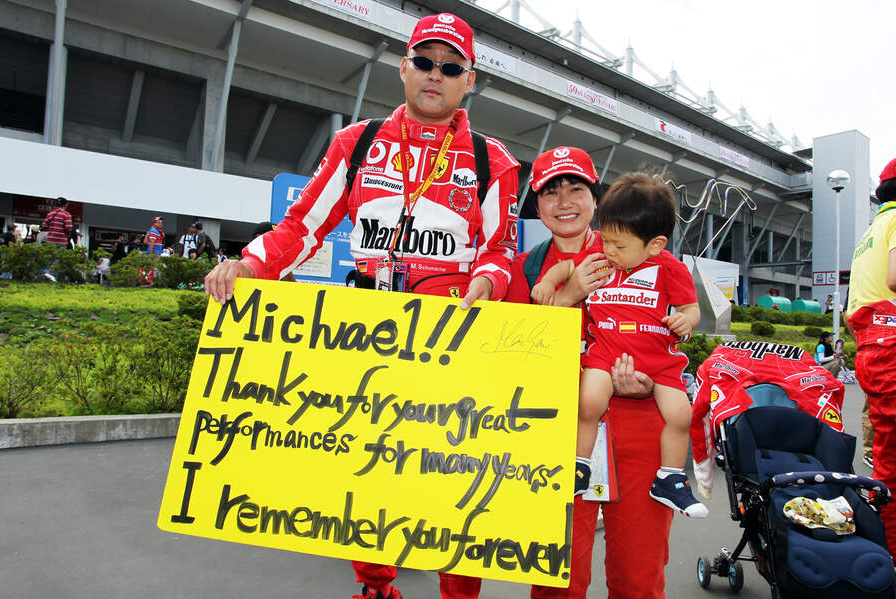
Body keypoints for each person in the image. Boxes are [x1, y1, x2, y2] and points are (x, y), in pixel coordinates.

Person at [204, 12, 520, 599]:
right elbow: (305, 224)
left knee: (455, 479)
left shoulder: (491, 158)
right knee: (367, 466)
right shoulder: (360, 142)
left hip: (450, 341)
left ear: (468, 81)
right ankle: (376, 587)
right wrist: (250, 264)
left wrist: (488, 284)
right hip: (367, 334)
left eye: (450, 68)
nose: (435, 75)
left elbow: (500, 249)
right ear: (403, 68)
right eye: (424, 62)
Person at [505, 148, 677, 598]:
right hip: (556, 429)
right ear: (536, 205)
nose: (564, 200)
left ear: (595, 198)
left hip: (637, 428)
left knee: (639, 575)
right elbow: (514, 355)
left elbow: (670, 336)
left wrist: (649, 384)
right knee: (556, 575)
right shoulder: (520, 270)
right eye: (550, 191)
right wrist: (569, 296)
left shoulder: (639, 251)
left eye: (576, 188)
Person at [531, 167, 706, 518]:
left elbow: (691, 307)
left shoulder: (670, 269)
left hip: (657, 358)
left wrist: (685, 320)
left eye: (619, 245)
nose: (607, 250)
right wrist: (548, 283)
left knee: (681, 413)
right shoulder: (602, 259)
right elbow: (566, 268)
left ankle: (670, 478)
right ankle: (579, 464)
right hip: (606, 351)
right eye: (605, 239)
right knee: (589, 401)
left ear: (655, 244)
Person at [846, 156, 896, 559]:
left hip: (871, 344)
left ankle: (888, 547)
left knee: (888, 458)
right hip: (891, 341)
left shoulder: (871, 229)